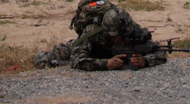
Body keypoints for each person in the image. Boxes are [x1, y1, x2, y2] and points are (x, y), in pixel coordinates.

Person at [34, 7, 167, 71]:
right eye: (114, 36)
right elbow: (76, 61)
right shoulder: (93, 32)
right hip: (80, 49)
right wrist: (106, 64)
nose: (118, 39)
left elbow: (160, 52)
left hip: (105, 54)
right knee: (43, 61)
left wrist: (145, 61)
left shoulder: (133, 31)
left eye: (120, 36)